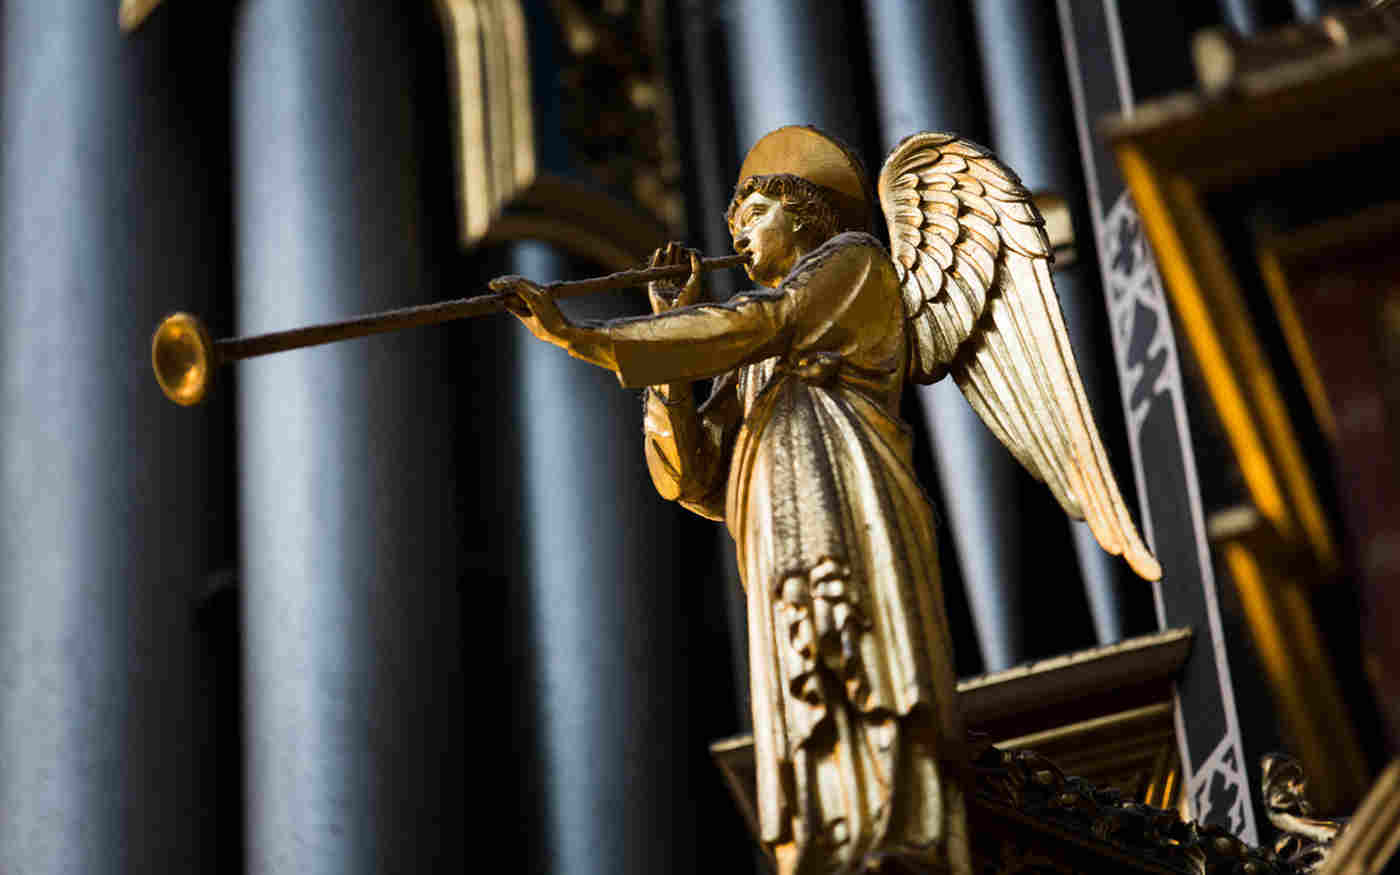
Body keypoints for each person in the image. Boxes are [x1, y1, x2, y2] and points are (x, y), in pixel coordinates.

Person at [495, 127, 972, 875]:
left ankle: (894, 818)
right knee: (796, 659)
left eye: (752, 215)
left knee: (851, 644)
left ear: (803, 212)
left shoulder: (853, 265)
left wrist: (586, 338)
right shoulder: (756, 363)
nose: (740, 236)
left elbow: (763, 320)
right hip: (773, 517)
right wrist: (666, 354)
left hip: (844, 493)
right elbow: (691, 474)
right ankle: (829, 829)